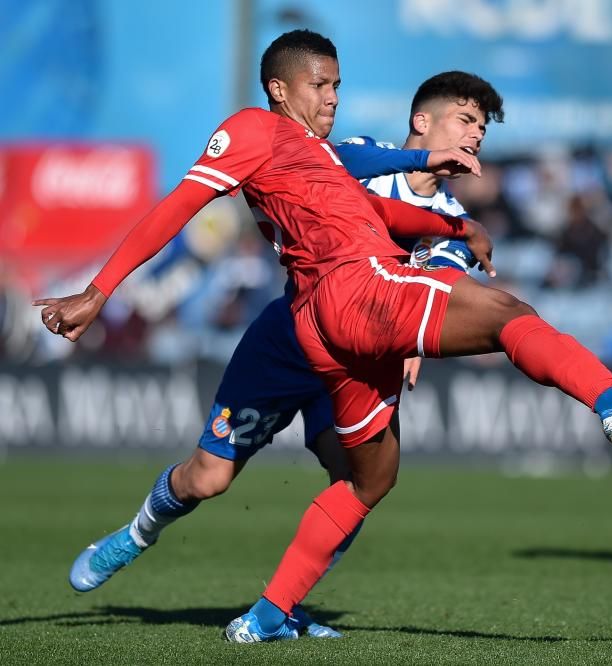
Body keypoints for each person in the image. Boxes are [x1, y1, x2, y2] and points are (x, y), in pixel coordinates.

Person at [36, 30, 612, 642]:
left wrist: (457, 226)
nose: (333, 97)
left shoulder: (332, 162)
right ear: (280, 88)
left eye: (339, 85)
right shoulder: (256, 131)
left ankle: (269, 616)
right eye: (321, 85)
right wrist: (100, 291)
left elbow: (371, 198)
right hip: (332, 306)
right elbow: (179, 205)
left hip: (336, 321)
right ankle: (136, 534)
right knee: (211, 474)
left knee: (371, 477)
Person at [64, 70, 498, 640]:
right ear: (424, 121)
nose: (475, 138)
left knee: (359, 482)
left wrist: (425, 319)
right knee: (208, 479)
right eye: (466, 121)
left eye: (482, 131)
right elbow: (337, 165)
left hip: (359, 360)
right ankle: (137, 533)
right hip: (291, 335)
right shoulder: (357, 154)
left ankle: (283, 605)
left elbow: (443, 274)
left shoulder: (449, 221)